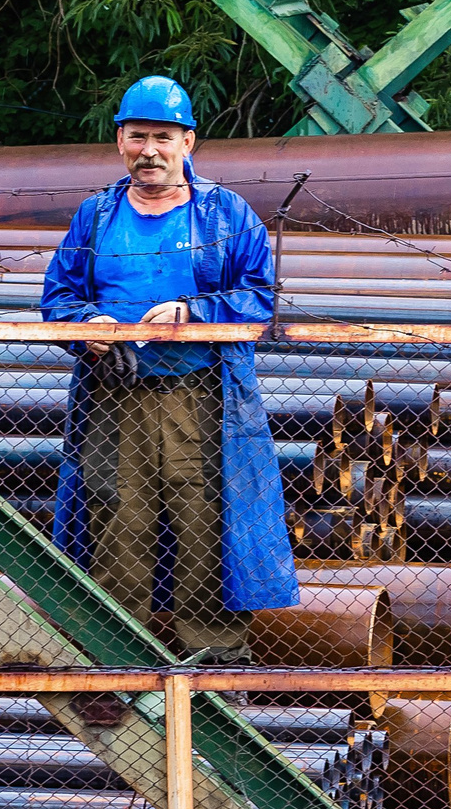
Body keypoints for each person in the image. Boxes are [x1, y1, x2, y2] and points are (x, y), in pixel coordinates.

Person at [42, 76, 298, 658]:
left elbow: (261, 297)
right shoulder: (95, 217)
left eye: (163, 136)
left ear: (189, 142)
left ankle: (216, 667)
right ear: (119, 142)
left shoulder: (226, 214)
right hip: (113, 394)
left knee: (205, 522)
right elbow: (57, 297)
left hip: (203, 392)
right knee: (115, 520)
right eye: (138, 137)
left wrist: (194, 310)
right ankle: (112, 660)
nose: (149, 151)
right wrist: (86, 327)